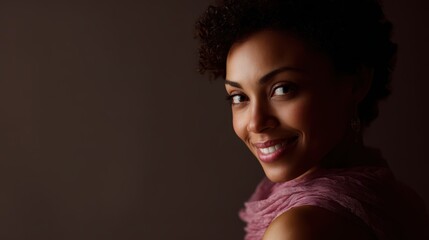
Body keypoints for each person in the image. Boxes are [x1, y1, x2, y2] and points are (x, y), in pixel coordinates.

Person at [195, 0, 429, 239]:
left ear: (356, 82)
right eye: (239, 97)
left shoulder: (298, 229)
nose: (255, 123)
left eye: (282, 89)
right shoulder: (400, 199)